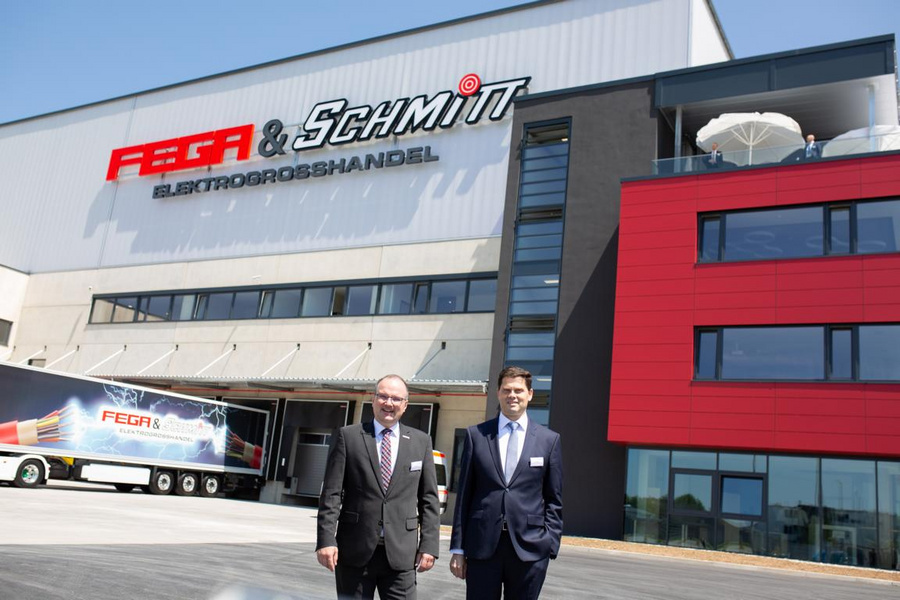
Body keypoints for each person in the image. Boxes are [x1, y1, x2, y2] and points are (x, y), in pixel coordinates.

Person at [316, 374, 440, 600]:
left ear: (405, 404)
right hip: (354, 550)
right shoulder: (349, 437)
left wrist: (429, 545)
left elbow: (429, 499)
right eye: (383, 396)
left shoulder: (421, 442)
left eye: (396, 398)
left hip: (402, 553)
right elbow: (331, 494)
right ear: (373, 400)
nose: (388, 403)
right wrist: (326, 540)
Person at [449, 366, 563, 600]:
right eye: (507, 390)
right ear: (498, 393)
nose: (512, 395)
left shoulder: (548, 441)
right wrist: (458, 548)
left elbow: (553, 499)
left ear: (530, 394)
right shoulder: (476, 435)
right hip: (482, 547)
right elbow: (465, 495)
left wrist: (549, 544)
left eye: (518, 390)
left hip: (530, 550)